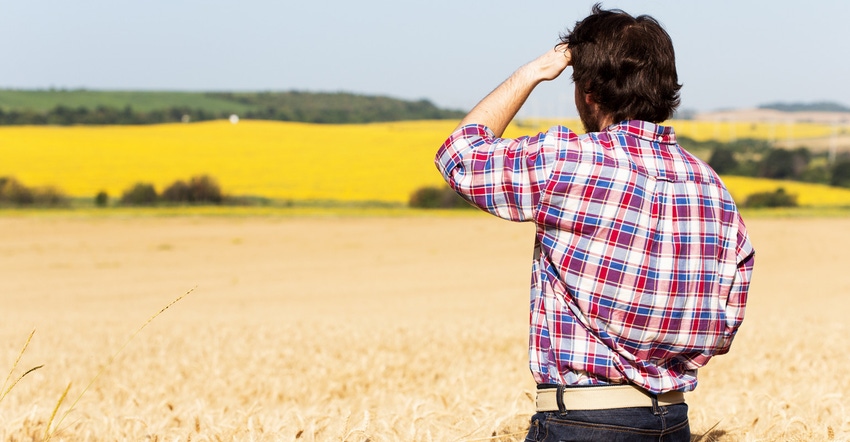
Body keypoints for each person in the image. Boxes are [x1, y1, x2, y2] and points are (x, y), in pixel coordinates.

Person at [434, 4, 755, 441]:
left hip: (583, 423)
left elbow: (459, 156)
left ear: (588, 91)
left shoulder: (569, 161)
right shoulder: (713, 188)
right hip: (674, 422)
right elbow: (723, 327)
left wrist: (534, 71)